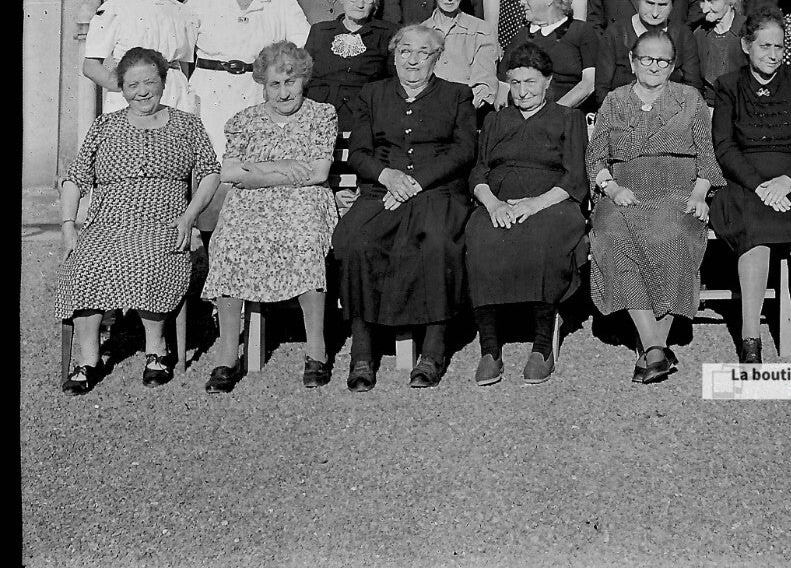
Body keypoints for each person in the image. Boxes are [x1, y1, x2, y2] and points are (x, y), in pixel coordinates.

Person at [56, 48, 221, 394]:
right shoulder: (105, 125)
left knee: (149, 258)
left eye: (150, 81)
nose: (142, 91)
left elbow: (210, 173)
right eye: (133, 85)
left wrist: (189, 217)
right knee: (86, 263)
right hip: (107, 221)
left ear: (163, 81)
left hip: (164, 221)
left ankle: (155, 350)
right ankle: (89, 358)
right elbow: (75, 178)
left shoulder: (187, 124)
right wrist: (69, 225)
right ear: (121, 88)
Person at [332, 25, 477, 391]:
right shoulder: (372, 94)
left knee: (437, 243)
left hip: (437, 192)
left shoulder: (457, 95)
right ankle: (362, 350)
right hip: (383, 189)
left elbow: (463, 151)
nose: (412, 60)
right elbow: (360, 153)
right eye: (405, 52)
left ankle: (433, 348)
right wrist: (388, 176)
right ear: (394, 55)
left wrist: (416, 181)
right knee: (355, 241)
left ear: (437, 57)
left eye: (423, 52)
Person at [199, 42, 338, 393]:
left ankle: (316, 350)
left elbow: (318, 173)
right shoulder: (244, 120)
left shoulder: (322, 115)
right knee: (228, 242)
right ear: (263, 84)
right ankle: (227, 356)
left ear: (303, 80)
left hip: (305, 201)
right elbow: (229, 171)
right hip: (250, 204)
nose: (283, 92)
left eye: (290, 82)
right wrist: (282, 167)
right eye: (274, 84)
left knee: (305, 241)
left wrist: (255, 172)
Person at [587, 30, 724, 385]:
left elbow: (707, 159)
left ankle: (651, 349)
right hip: (625, 190)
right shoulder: (615, 100)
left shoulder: (690, 99)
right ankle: (656, 347)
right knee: (612, 235)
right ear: (633, 62)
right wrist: (613, 188)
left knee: (674, 235)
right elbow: (595, 158)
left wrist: (699, 194)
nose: (654, 66)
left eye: (663, 60)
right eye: (646, 58)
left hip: (677, 190)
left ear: (673, 65)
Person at [710, 10, 791, 364]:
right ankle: (751, 339)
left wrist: (787, 180)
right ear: (747, 46)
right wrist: (760, 185)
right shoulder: (729, 85)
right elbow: (724, 146)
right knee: (755, 234)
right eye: (765, 46)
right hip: (747, 183)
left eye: (779, 46)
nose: (773, 54)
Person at [465, 44, 589, 387]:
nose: (523, 91)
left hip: (553, 202)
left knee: (543, 240)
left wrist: (534, 204)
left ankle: (541, 347)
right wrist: (492, 204)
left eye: (531, 82)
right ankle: (489, 348)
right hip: (499, 200)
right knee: (479, 239)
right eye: (516, 82)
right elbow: (479, 172)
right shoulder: (495, 120)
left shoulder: (568, 118)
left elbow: (576, 177)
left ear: (548, 82)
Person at [188, 0, 312, 183]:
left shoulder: (282, 7)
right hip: (211, 94)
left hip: (258, 93)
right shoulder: (201, 4)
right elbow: (180, 56)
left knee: (256, 163)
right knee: (211, 166)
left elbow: (301, 55)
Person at [82, 0, 199, 114]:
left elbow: (183, 66)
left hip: (175, 98)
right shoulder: (116, 9)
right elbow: (90, 66)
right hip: (133, 100)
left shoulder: (184, 12)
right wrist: (129, 88)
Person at [594, 0, 702, 104]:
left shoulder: (683, 36)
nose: (655, 13)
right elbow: (602, 88)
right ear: (638, 0)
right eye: (650, 3)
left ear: (672, 4)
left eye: (662, 5)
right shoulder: (615, 34)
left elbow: (693, 88)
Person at [305, 0, 396, 126]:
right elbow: (305, 76)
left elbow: (392, 82)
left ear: (374, 3)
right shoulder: (320, 31)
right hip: (319, 113)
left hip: (364, 114)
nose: (360, 4)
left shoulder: (387, 33)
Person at [505, 0, 600, 111]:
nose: (521, 1)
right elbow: (504, 81)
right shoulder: (521, 36)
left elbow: (589, 83)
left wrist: (553, 113)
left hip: (567, 117)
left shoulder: (581, 32)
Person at [423, 0, 498, 111]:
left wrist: (462, 109)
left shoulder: (481, 31)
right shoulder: (421, 32)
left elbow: (484, 81)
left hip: (466, 110)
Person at [690, 0, 746, 106]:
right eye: (702, 1)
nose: (704, 9)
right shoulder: (699, 34)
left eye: (711, 1)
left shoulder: (747, 31)